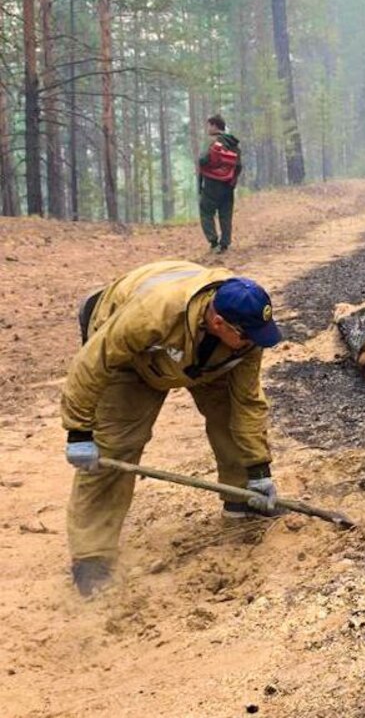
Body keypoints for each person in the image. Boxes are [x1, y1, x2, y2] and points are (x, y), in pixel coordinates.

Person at [61, 260, 283, 596]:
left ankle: (242, 505)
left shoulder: (246, 338)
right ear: (220, 322)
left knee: (229, 416)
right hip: (131, 357)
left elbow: (248, 403)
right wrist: (78, 431)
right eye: (249, 337)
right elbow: (93, 362)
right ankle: (93, 556)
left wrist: (259, 470)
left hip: (203, 357)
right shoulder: (152, 314)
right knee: (116, 444)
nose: (257, 344)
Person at [197, 114, 242, 254]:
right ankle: (225, 244)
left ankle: (213, 241)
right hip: (228, 184)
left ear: (215, 126)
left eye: (209, 125)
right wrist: (232, 180)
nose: (208, 128)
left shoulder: (212, 142)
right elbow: (239, 165)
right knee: (226, 214)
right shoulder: (233, 144)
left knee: (206, 211)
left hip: (211, 183)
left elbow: (203, 160)